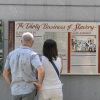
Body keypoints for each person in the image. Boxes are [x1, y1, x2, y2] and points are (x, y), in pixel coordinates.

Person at [3, 32, 44, 100]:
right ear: (33, 42)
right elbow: (41, 71)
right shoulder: (32, 54)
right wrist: (39, 84)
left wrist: (11, 85)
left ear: (21, 41)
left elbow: (5, 73)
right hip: (29, 89)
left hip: (15, 90)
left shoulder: (11, 54)